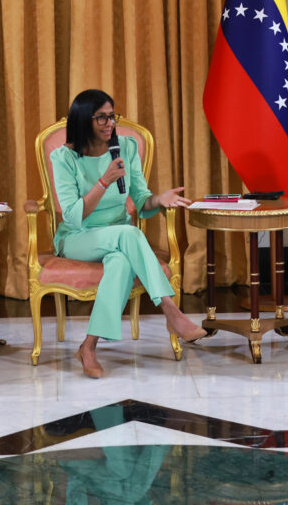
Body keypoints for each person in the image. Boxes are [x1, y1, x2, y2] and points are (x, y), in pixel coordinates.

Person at [51, 89, 207, 379]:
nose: (110, 123)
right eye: (101, 117)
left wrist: (158, 200)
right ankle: (171, 311)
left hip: (118, 237)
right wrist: (104, 181)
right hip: (77, 237)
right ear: (84, 120)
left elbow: (142, 200)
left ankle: (88, 347)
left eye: (112, 116)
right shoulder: (64, 157)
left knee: (121, 262)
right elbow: (72, 215)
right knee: (130, 234)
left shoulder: (126, 147)